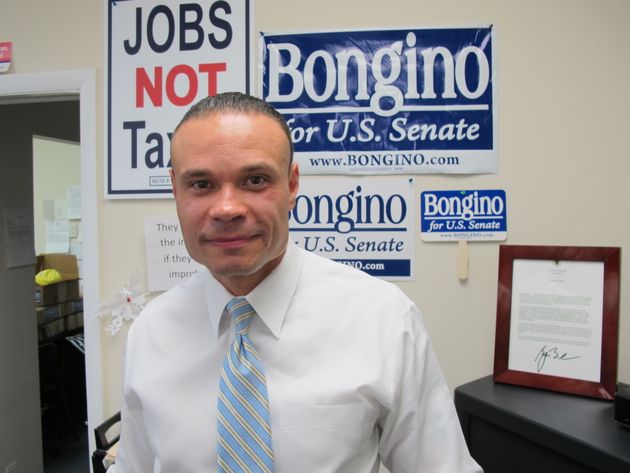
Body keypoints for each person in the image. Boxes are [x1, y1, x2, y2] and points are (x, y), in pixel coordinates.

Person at [109, 92, 482, 473]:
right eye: (201, 184)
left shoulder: (383, 319)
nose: (226, 209)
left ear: (292, 185)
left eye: (254, 180)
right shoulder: (149, 333)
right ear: (175, 188)